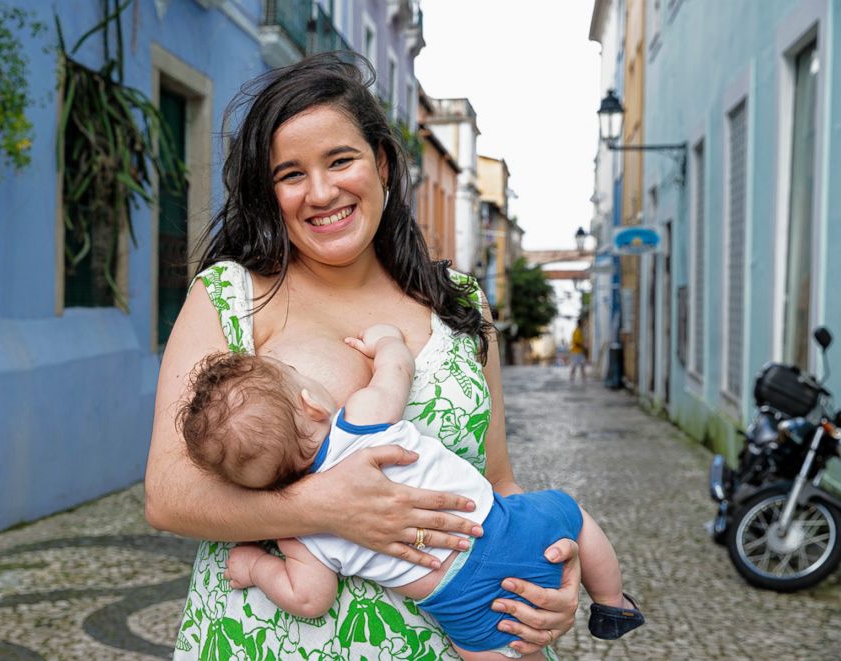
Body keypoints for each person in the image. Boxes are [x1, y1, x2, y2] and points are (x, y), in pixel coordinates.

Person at [144, 52, 582, 660]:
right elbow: (167, 495)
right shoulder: (231, 294)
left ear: (380, 162)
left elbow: (498, 482)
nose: (321, 192)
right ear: (269, 192)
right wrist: (325, 508)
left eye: (340, 160)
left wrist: (553, 581)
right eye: (290, 174)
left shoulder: (459, 303)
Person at [180, 323, 645, 661]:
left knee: (491, 650)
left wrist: (254, 566)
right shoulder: (362, 418)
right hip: (506, 526)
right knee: (573, 514)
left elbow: (309, 598)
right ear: (312, 402)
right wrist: (384, 340)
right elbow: (396, 366)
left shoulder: (296, 531)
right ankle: (611, 604)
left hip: (457, 599)